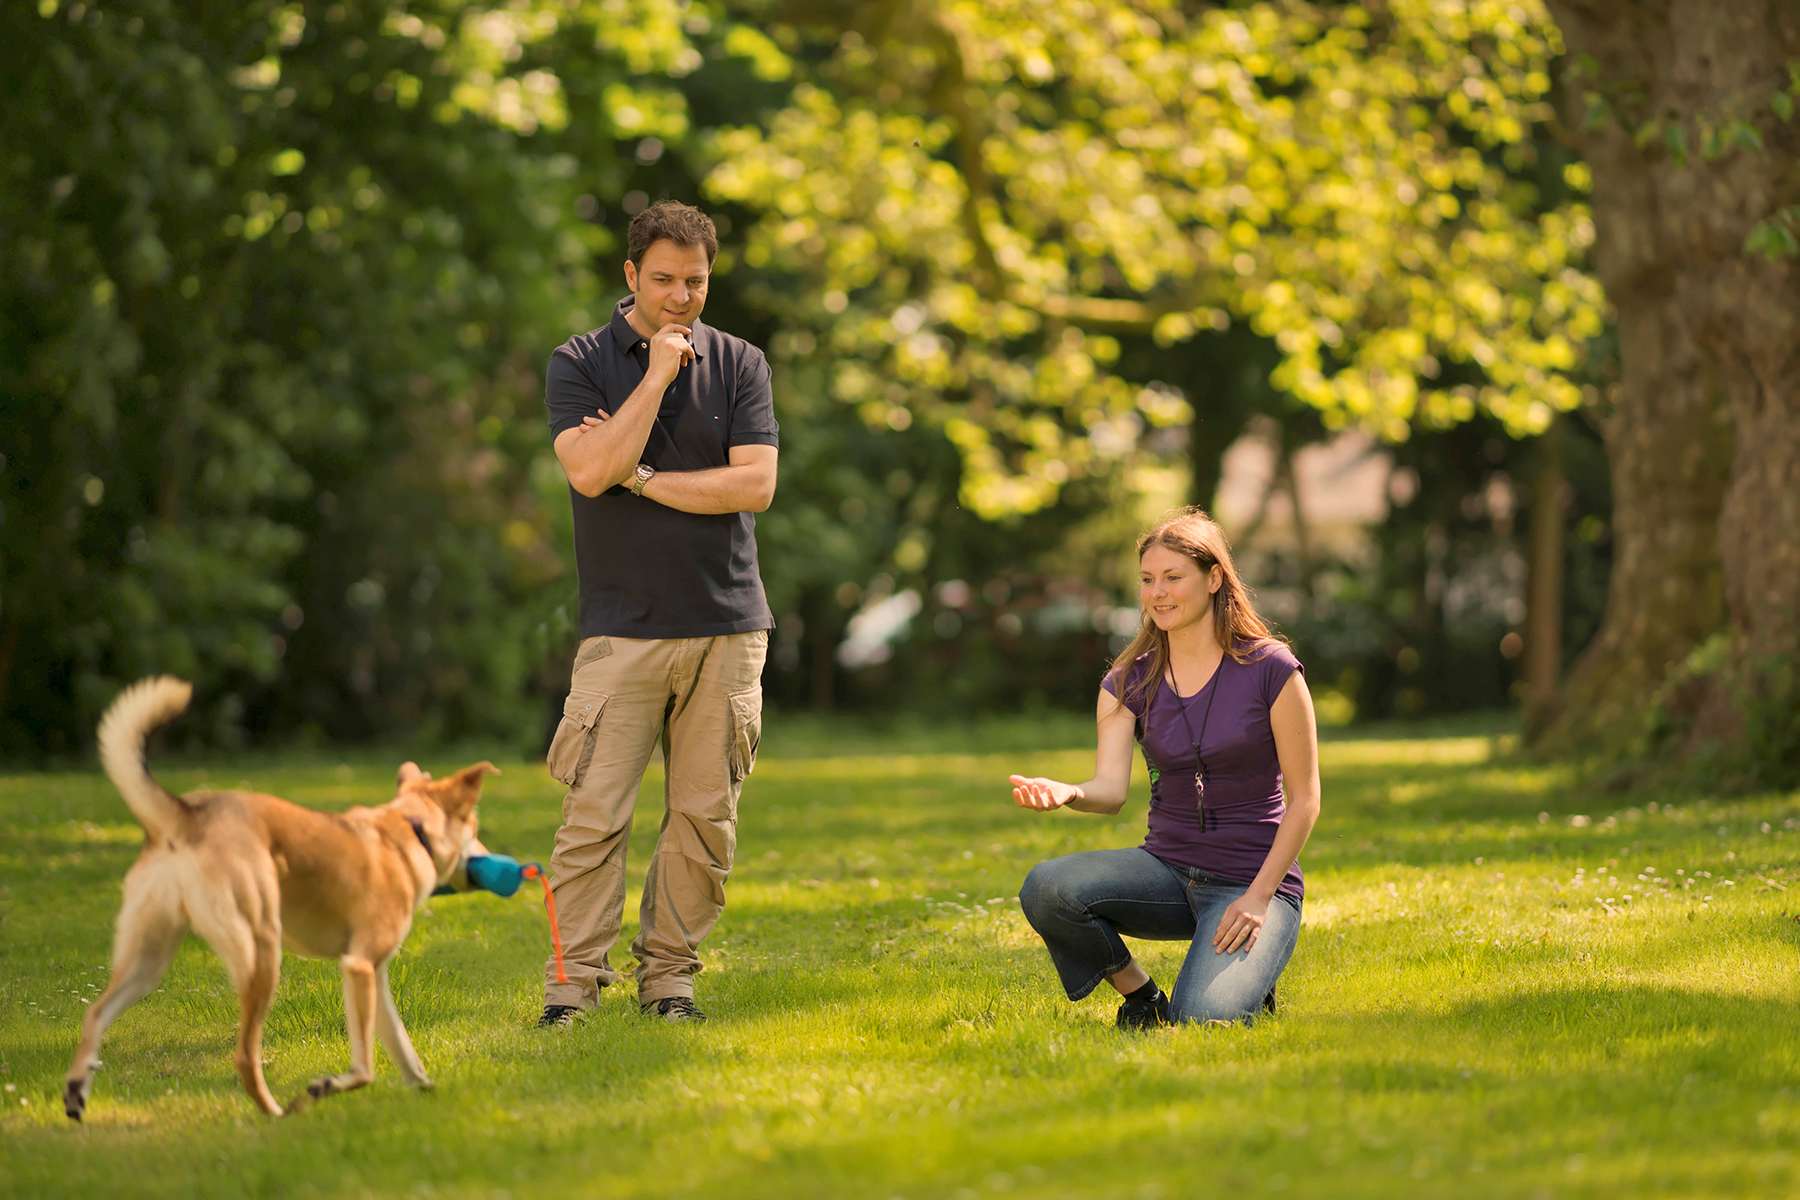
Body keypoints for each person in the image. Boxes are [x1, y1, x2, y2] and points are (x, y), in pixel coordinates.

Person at [535, 200, 778, 1027]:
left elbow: (754, 486)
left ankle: (670, 983)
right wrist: (656, 378)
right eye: (665, 280)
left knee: (703, 822)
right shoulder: (578, 362)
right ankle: (570, 991)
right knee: (593, 818)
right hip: (621, 631)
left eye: (697, 282)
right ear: (631, 274)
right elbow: (589, 471)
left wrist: (642, 481)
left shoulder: (742, 362)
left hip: (728, 625)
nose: (681, 298)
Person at [1012, 507, 1320, 1028]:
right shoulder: (1128, 679)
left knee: (1204, 1021)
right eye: (1148, 580)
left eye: (1174, 578)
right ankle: (1143, 997)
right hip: (1166, 873)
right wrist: (1069, 792)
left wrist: (1259, 898)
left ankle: (1248, 977)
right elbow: (1110, 792)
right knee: (1047, 886)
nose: (1158, 593)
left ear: (1214, 578)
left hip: (1250, 882)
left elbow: (1306, 799)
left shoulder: (1271, 669)